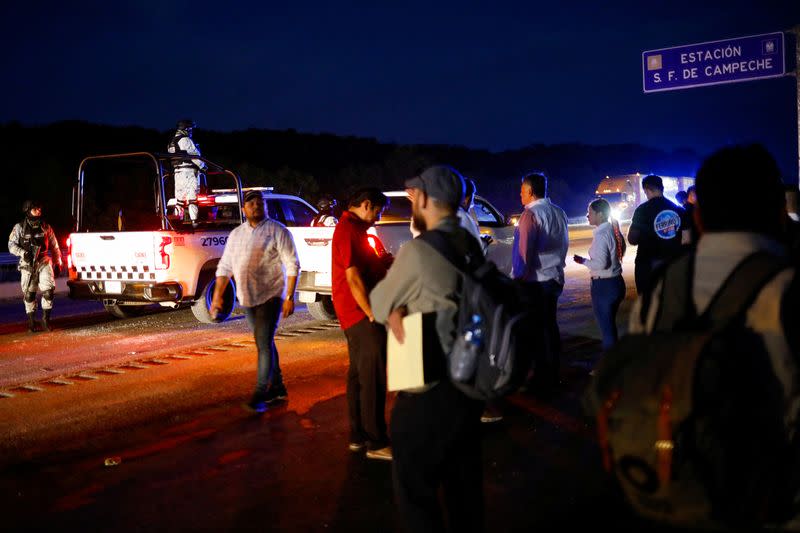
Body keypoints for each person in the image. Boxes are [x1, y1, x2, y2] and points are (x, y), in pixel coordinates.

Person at [628, 144, 799, 526]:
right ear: (779, 210)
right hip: (771, 502)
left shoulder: (660, 292)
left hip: (680, 491)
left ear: (700, 215)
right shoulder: (787, 286)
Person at [370, 165, 486, 532]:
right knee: (463, 490)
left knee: (415, 491)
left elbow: (378, 303)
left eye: (414, 196)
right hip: (469, 383)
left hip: (429, 388)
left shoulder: (419, 252)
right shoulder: (470, 243)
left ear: (425, 199)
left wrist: (397, 306)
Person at [211, 190, 300, 413]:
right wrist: (217, 296)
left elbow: (292, 264)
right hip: (247, 298)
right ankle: (278, 387)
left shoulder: (277, 231)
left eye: (260, 202)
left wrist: (289, 297)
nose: (256, 206)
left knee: (262, 345)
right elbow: (225, 266)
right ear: (244, 209)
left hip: (271, 296)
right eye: (251, 203)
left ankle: (260, 394)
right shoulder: (236, 235)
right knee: (266, 342)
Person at [331, 187, 393, 460]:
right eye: (378, 211)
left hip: (354, 313)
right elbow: (353, 277)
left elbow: (365, 266)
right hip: (359, 314)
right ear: (366, 204)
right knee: (373, 378)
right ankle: (376, 442)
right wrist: (371, 313)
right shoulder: (347, 230)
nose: (378, 217)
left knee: (358, 375)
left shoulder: (355, 230)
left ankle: (357, 435)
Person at [512, 172, 569, 397]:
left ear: (529, 191)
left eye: (521, 191)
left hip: (536, 281)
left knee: (535, 331)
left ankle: (540, 378)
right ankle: (553, 372)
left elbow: (524, 254)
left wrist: (518, 279)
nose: (520, 195)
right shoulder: (559, 212)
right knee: (550, 328)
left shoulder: (530, 215)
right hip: (555, 277)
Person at [573, 198, 626, 351]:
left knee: (607, 329)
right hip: (616, 283)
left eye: (590, 212)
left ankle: (611, 366)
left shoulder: (602, 235)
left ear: (600, 214)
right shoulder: (611, 230)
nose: (587, 215)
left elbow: (601, 264)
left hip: (604, 286)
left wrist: (584, 261)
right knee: (610, 326)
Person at [627, 174, 689, 294]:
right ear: (662, 188)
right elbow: (687, 241)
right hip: (673, 264)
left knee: (648, 305)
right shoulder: (679, 210)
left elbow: (632, 239)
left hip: (647, 265)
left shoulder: (642, 210)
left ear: (646, 190)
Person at [7, 200, 63, 332]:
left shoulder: (46, 227)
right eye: (35, 209)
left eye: (39, 208)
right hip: (27, 264)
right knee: (29, 295)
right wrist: (22, 253)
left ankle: (45, 320)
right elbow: (11, 245)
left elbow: (55, 246)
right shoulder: (19, 227)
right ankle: (32, 322)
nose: (38, 211)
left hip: (43, 261)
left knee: (48, 292)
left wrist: (58, 263)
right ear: (28, 210)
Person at [167, 118, 207, 224]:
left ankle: (176, 222)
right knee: (192, 198)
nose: (191, 132)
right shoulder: (185, 140)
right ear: (186, 129)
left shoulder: (172, 141)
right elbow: (194, 154)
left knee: (179, 200)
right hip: (188, 172)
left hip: (178, 173)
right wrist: (203, 166)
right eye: (190, 129)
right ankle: (195, 222)